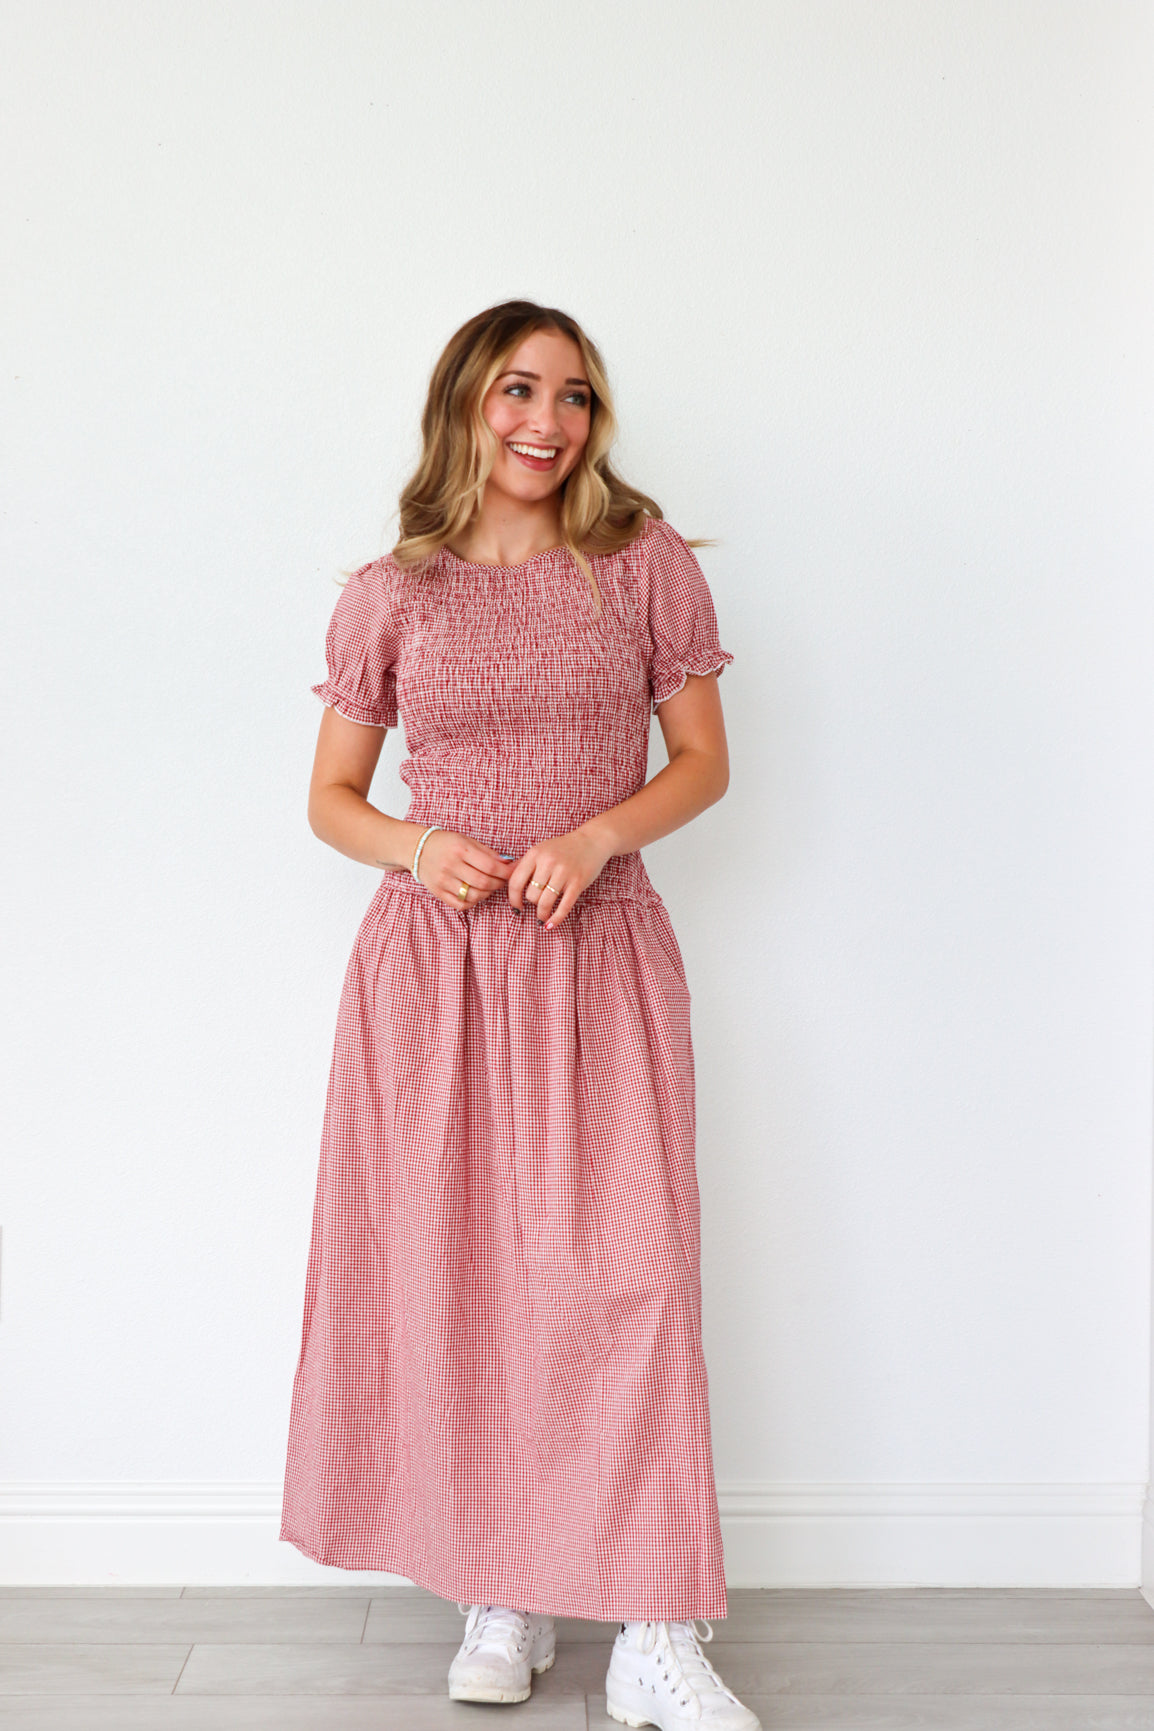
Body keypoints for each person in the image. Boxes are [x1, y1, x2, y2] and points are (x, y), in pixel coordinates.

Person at [279, 300, 759, 1731]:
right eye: (515, 392)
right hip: (432, 973)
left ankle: (655, 1631)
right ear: (464, 407)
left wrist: (601, 836)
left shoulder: (640, 568)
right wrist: (417, 847)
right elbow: (330, 800)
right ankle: (504, 1587)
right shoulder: (391, 591)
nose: (545, 422)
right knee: (464, 1280)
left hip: (596, 951)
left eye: (571, 397)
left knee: (629, 1279)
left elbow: (702, 765)